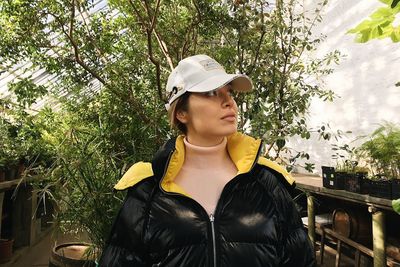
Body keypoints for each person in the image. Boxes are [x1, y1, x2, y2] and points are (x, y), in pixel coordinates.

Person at [99, 55, 315, 267]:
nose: (229, 102)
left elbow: (300, 260)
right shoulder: (148, 189)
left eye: (229, 92)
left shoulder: (267, 182)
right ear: (182, 112)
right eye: (211, 92)